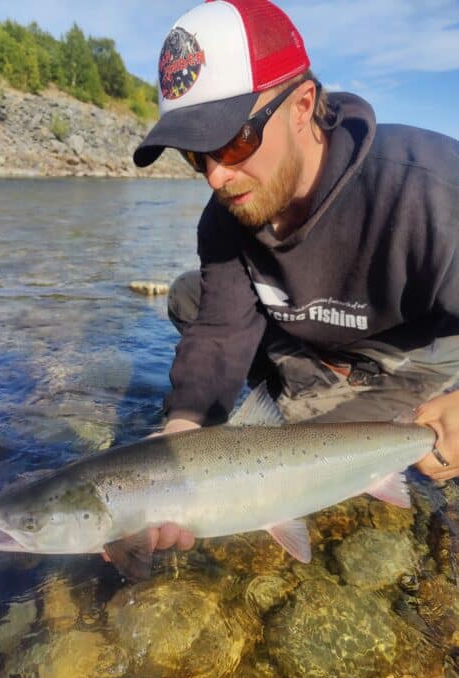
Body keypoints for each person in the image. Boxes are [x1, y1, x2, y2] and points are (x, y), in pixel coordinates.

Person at [128, 0, 459, 554]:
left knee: (328, 461)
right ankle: (306, 386)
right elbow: (218, 329)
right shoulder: (228, 211)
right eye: (194, 154)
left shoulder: (432, 191)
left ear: (303, 104)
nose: (217, 175)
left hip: (408, 348)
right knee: (191, 295)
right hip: (315, 336)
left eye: (234, 140)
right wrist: (185, 431)